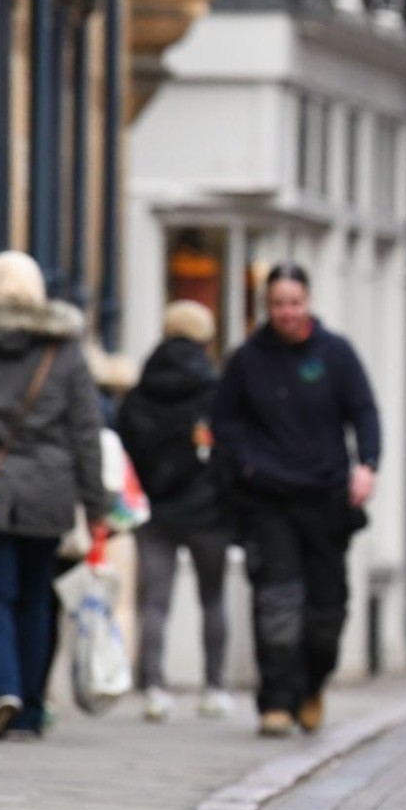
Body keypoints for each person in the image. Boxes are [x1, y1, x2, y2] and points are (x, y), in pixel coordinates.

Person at [212, 264, 380, 738]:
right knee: (277, 601)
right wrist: (245, 465)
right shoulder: (246, 360)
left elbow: (364, 411)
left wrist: (367, 465)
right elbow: (224, 425)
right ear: (268, 307)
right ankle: (277, 700)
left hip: (326, 498)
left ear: (308, 303)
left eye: (295, 302)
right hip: (268, 500)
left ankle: (312, 685)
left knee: (327, 610)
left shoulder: (336, 354)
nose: (287, 312)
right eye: (278, 303)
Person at [0, 252, 106, 740]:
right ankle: (29, 708)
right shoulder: (63, 348)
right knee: (35, 598)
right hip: (50, 490)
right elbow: (85, 431)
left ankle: (1, 690)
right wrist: (96, 506)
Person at [116, 301, 234, 722]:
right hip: (208, 512)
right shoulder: (216, 390)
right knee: (213, 598)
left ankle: (153, 687)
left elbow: (124, 446)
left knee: (154, 602)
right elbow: (228, 449)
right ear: (205, 338)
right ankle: (215, 686)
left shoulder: (140, 391)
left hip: (155, 510)